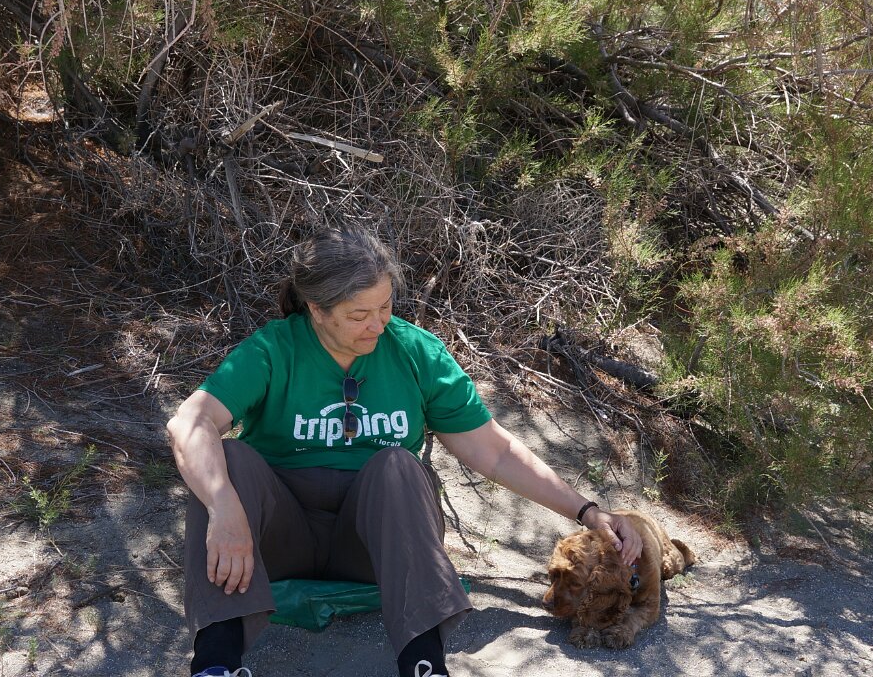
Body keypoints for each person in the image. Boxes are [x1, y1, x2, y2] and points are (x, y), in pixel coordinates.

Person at [166, 228, 642, 677]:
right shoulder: (274, 349)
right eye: (359, 315)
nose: (377, 324)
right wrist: (223, 506)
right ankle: (215, 663)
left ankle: (424, 664)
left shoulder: (415, 351)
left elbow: (494, 451)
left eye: (385, 306)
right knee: (227, 461)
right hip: (278, 536)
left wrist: (587, 511)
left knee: (398, 464)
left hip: (374, 544)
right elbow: (189, 423)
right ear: (316, 309)